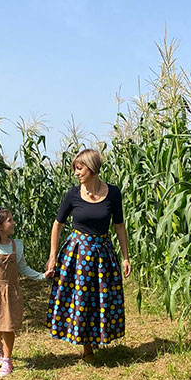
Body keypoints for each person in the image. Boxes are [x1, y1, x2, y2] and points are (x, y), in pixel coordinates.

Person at [45, 149, 131, 361]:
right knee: (82, 299)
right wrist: (53, 255)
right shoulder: (73, 194)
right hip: (78, 255)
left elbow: (119, 226)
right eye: (75, 168)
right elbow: (57, 225)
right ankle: (87, 348)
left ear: (92, 168)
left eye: (79, 168)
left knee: (101, 298)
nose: (76, 173)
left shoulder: (113, 193)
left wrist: (126, 256)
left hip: (103, 254)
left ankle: (97, 337)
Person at [0, 206, 47, 376]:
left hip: (11, 291)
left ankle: (7, 360)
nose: (14, 223)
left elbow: (23, 268)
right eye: (10, 220)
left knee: (8, 326)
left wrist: (43, 276)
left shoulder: (16, 245)